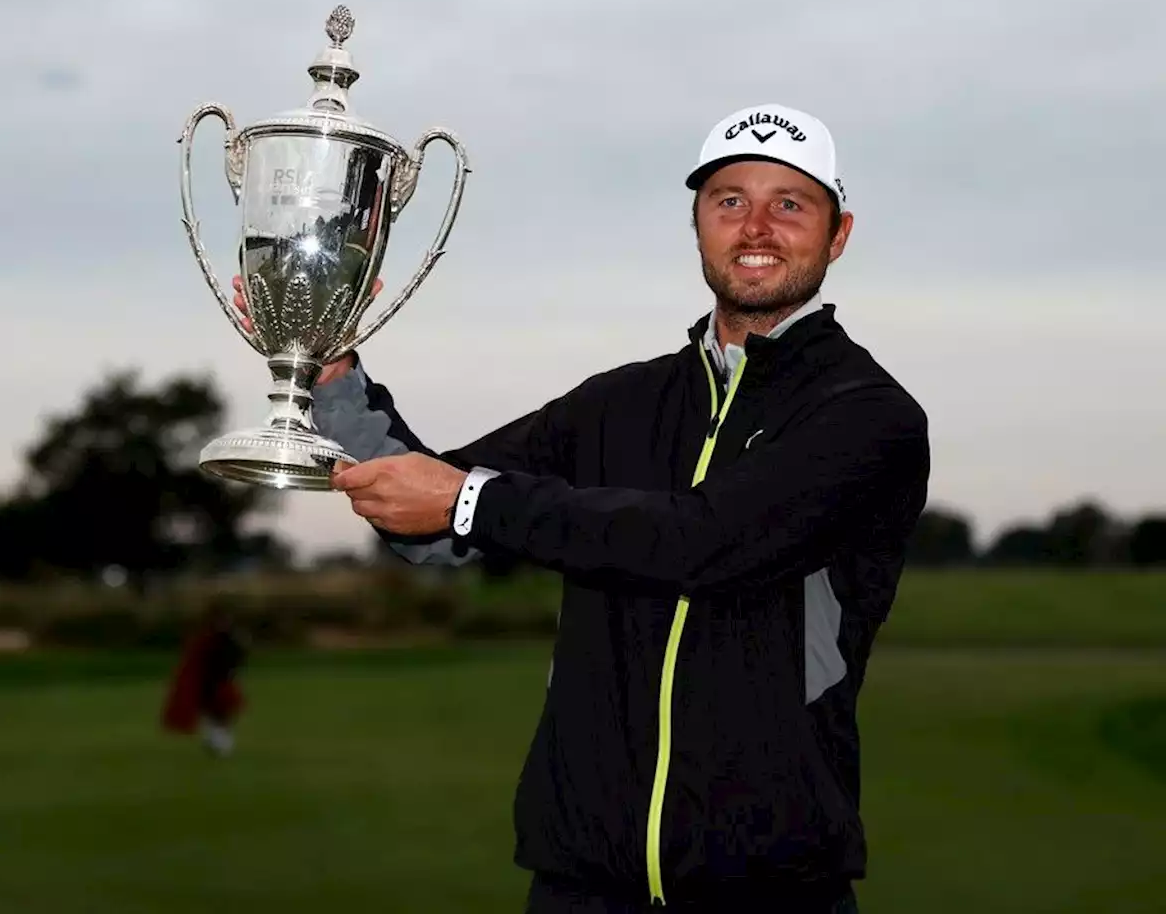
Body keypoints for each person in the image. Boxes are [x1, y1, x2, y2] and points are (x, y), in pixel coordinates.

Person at [235, 104, 929, 912]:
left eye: (790, 204)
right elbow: (438, 522)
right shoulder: (620, 403)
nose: (757, 226)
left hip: (773, 887)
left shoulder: (866, 415)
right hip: (582, 884)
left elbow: (701, 543)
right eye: (730, 200)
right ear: (699, 223)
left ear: (838, 234)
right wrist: (330, 376)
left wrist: (468, 501)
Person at [161, 601, 248, 757]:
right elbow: (196, 661)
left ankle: (219, 742)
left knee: (221, 714)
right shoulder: (207, 639)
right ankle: (219, 743)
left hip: (222, 681)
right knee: (215, 714)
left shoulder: (227, 638)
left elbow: (237, 657)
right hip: (209, 682)